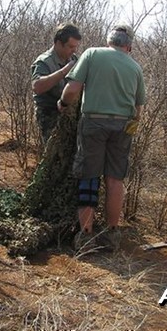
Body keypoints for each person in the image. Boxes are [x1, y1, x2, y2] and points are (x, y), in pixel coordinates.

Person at [57, 24, 146, 253]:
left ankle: (86, 236)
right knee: (115, 179)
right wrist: (128, 128)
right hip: (123, 126)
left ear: (109, 41)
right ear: (129, 45)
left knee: (89, 176)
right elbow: (138, 110)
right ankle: (112, 233)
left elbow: (72, 88)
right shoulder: (135, 67)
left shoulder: (93, 54)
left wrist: (63, 104)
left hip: (93, 123)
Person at [31, 22, 82, 144]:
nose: (73, 50)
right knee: (54, 155)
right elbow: (37, 87)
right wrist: (65, 71)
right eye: (70, 47)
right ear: (59, 43)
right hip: (49, 114)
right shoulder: (44, 61)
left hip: (71, 113)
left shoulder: (74, 59)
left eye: (76, 47)